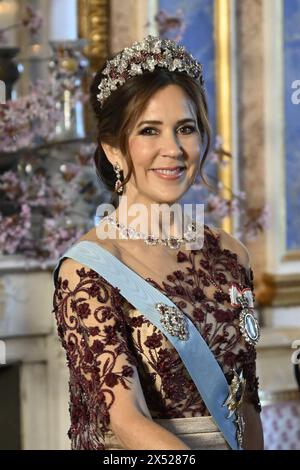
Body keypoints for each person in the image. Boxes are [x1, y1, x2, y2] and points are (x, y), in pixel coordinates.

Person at [52, 35, 264, 450]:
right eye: (149, 130)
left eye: (186, 128)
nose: (173, 149)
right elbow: (127, 420)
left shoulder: (231, 254)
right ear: (113, 149)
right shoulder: (87, 269)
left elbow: (246, 403)